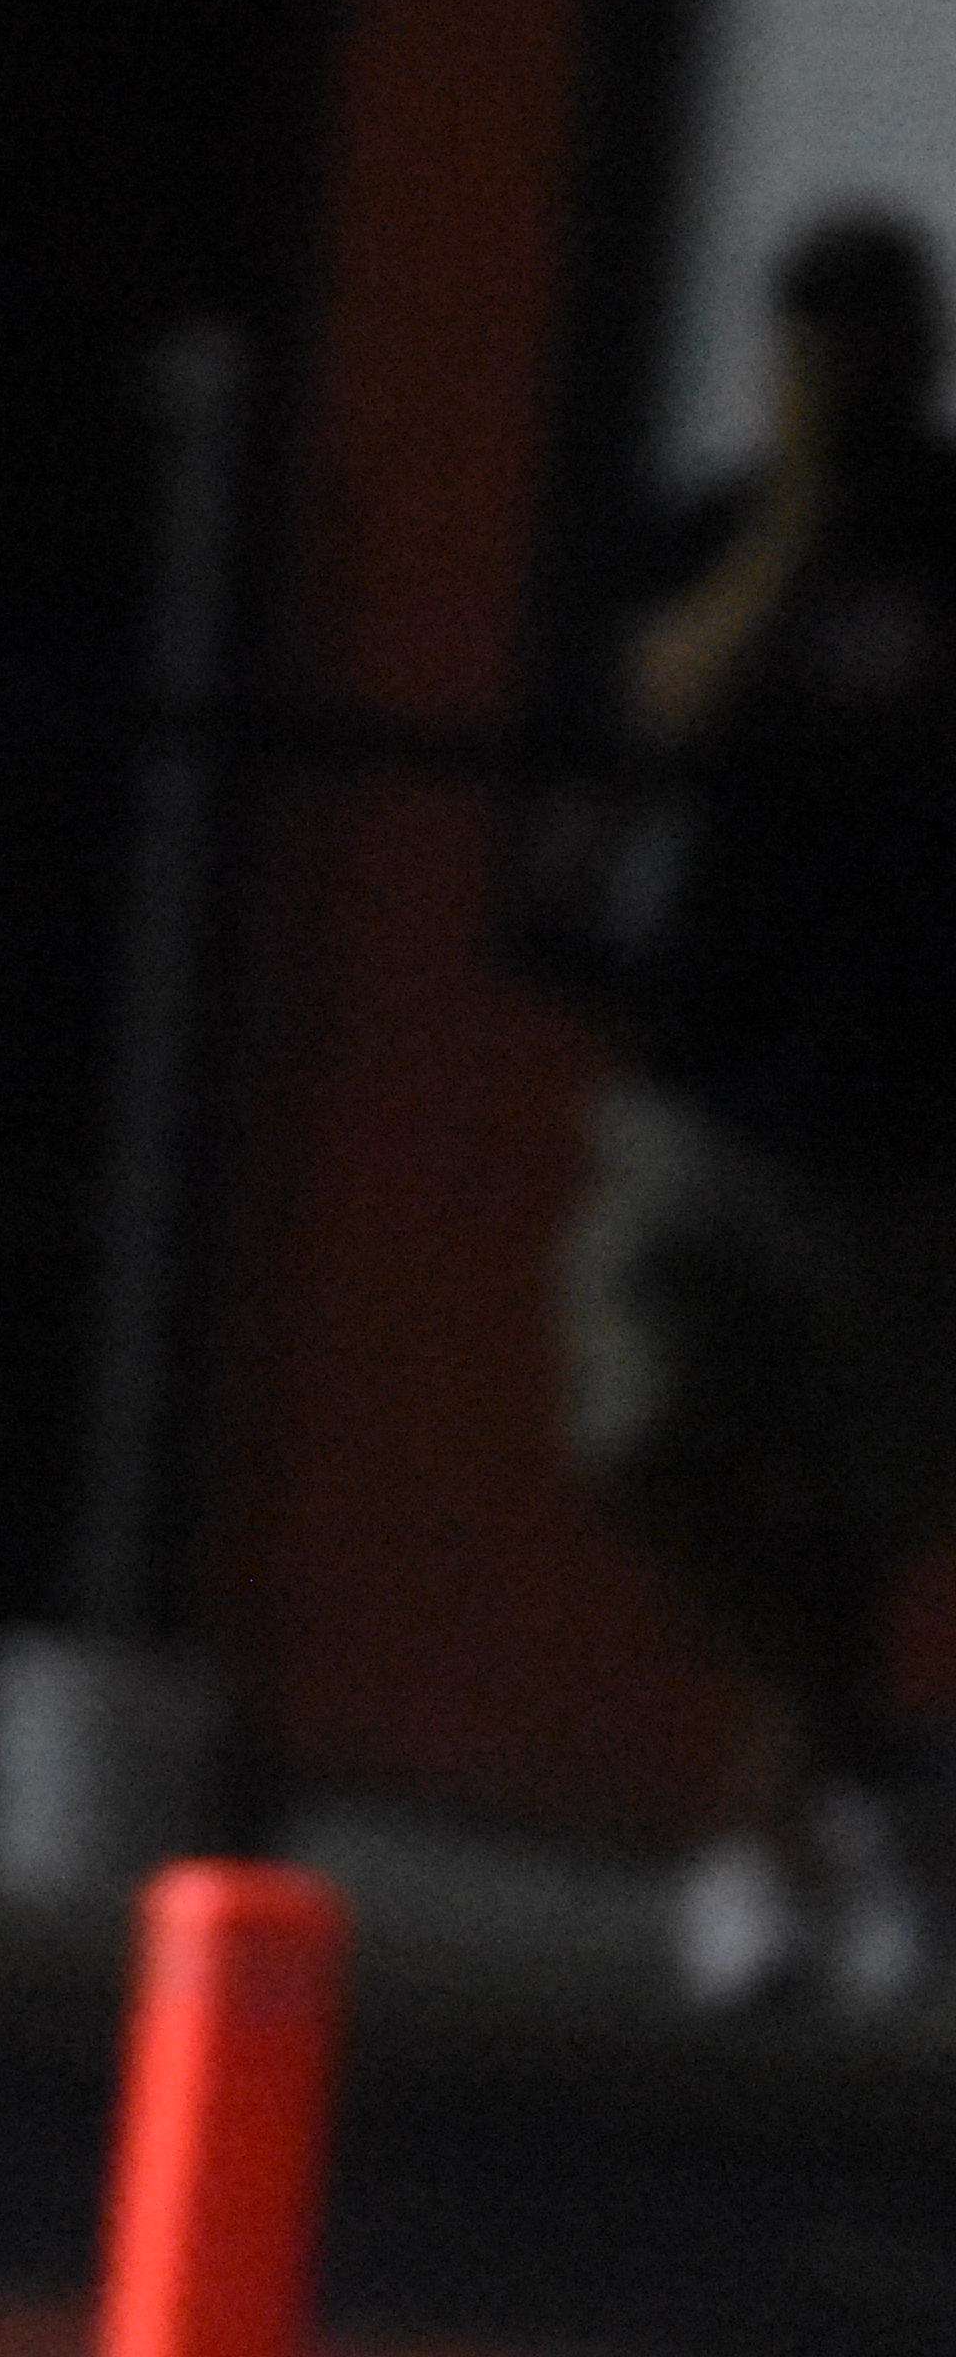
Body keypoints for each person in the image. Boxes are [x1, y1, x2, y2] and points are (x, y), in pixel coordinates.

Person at [571, 206, 956, 2016]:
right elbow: (665, 706)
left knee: (847, 1516)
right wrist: (797, 516)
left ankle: (778, 1855)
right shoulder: (723, 528)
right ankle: (859, 1781)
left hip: (904, 1107)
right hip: (709, 1081)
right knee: (638, 1430)